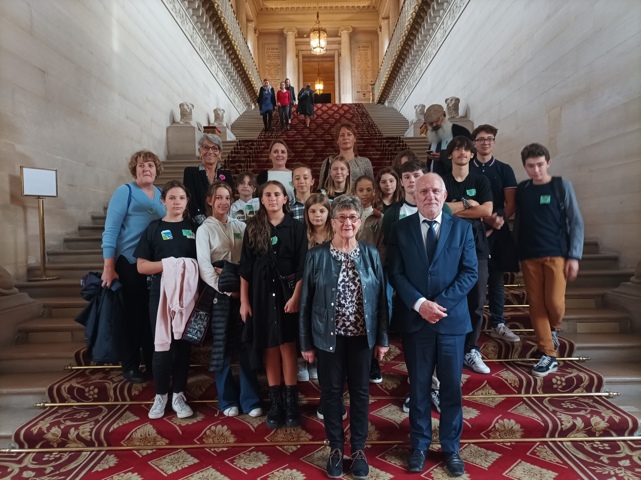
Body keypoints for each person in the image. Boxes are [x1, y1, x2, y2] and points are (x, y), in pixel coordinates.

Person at [388, 173, 478, 477]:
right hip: (416, 322)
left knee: (451, 388)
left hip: (451, 322)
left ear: (444, 194)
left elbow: (469, 273)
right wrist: (420, 305)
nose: (430, 195)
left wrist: (439, 305)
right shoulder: (401, 229)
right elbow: (396, 273)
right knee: (420, 387)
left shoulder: (462, 229)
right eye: (423, 190)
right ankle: (420, 445)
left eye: (435, 190)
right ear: (415, 193)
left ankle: (451, 448)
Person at [300, 195, 389, 480]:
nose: (347, 222)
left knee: (361, 394)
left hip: (362, 338)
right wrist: (306, 343)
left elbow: (382, 302)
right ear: (333, 221)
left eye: (353, 217)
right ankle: (337, 449)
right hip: (329, 339)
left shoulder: (371, 254)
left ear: (360, 222)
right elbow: (305, 303)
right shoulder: (316, 255)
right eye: (342, 217)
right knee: (331, 393)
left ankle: (359, 450)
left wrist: (383, 339)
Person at [240, 181, 308, 429]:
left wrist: (296, 296)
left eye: (276, 194)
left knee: (287, 346)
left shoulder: (296, 227)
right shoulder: (254, 227)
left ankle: (291, 401)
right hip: (260, 293)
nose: (271, 198)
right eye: (267, 194)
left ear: (285, 199)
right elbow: (245, 268)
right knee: (269, 345)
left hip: (288, 293)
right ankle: (276, 402)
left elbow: (303, 266)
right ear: (261, 199)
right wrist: (245, 301)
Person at [515, 143, 584, 377]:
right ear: (525, 167)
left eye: (540, 165)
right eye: (530, 166)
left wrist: (574, 256)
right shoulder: (523, 189)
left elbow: (576, 221)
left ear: (548, 163)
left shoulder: (561, 186)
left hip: (557, 254)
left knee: (554, 303)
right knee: (535, 304)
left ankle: (553, 328)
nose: (536, 170)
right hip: (529, 255)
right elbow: (518, 219)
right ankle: (548, 353)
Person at [196, 181, 262, 417]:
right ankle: (227, 401)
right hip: (219, 295)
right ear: (210, 200)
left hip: (243, 292)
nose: (224, 202)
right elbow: (204, 266)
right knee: (221, 349)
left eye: (227, 197)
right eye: (219, 197)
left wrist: (240, 285)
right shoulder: (204, 229)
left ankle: (251, 400)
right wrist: (224, 288)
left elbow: (249, 258)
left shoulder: (240, 226)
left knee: (246, 346)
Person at [101, 150, 166, 384]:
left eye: (150, 165)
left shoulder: (161, 195)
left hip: (153, 264)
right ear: (134, 170)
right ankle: (130, 365)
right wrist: (109, 266)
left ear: (157, 169)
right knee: (132, 315)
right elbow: (110, 231)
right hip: (129, 262)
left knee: (152, 315)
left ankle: (151, 362)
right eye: (140, 166)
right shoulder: (125, 192)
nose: (145, 169)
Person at [135, 180, 198, 420]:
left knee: (182, 345)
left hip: (188, 294)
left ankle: (179, 395)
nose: (177, 202)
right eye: (172, 198)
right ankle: (160, 395)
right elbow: (141, 266)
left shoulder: (194, 227)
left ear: (187, 201)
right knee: (162, 345)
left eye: (181, 198)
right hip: (160, 292)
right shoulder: (154, 228)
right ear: (163, 201)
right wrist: (171, 265)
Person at [442, 136, 493, 375]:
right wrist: (467, 203)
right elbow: (440, 210)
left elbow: (486, 210)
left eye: (466, 149)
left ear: (472, 154)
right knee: (449, 297)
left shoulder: (481, 180)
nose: (462, 152)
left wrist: (454, 208)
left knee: (476, 301)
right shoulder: (442, 182)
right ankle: (450, 346)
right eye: (457, 149)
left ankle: (470, 349)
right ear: (450, 154)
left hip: (478, 248)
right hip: (448, 247)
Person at [470, 125, 520, 342]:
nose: (485, 143)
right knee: (471, 278)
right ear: (474, 143)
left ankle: (498, 322)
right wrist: (482, 221)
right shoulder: (467, 168)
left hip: (497, 229)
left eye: (489, 139)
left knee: (497, 278)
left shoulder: (504, 169)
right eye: (480, 139)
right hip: (471, 228)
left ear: (494, 142)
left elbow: (510, 202)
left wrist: (496, 223)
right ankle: (470, 324)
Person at [354, 176, 387, 385]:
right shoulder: (348, 214)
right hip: (348, 275)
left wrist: (377, 272)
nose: (365, 193)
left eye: (368, 190)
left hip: (371, 274)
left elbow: (382, 247)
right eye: (360, 190)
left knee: (372, 319)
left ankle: (374, 362)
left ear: (374, 192)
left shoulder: (378, 217)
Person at [297, 193, 333, 383]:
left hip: (330, 287)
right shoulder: (302, 233)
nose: (317, 215)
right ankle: (303, 359)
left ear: (329, 212)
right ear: (306, 213)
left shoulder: (335, 233)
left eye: (321, 211)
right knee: (305, 321)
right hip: (307, 285)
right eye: (312, 211)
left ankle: (319, 359)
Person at [183, 133, 234, 225]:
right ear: (200, 151)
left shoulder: (227, 176)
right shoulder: (190, 173)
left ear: (220, 153)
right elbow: (191, 200)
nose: (210, 152)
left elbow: (229, 200)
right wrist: (206, 224)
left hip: (222, 222)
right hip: (198, 223)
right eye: (206, 148)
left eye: (215, 148)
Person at [382, 160, 426, 244]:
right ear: (401, 182)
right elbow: (390, 246)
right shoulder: (390, 214)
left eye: (416, 176)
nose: (412, 180)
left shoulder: (440, 209)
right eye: (407, 177)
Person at [319, 123, 373, 189]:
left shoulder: (365, 162)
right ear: (337, 140)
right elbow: (321, 188)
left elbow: (371, 187)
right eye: (342, 135)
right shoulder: (328, 161)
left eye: (349, 134)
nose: (345, 138)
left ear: (355, 138)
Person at [424, 104, 471, 176]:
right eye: (431, 124)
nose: (434, 125)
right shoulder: (434, 137)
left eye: (436, 120)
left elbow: (469, 155)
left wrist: (443, 156)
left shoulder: (460, 132)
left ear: (444, 114)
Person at [257, 140, 296, 204]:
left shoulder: (294, 175)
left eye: (283, 152)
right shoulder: (263, 175)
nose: (279, 155)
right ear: (270, 155)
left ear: (287, 156)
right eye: (275, 152)